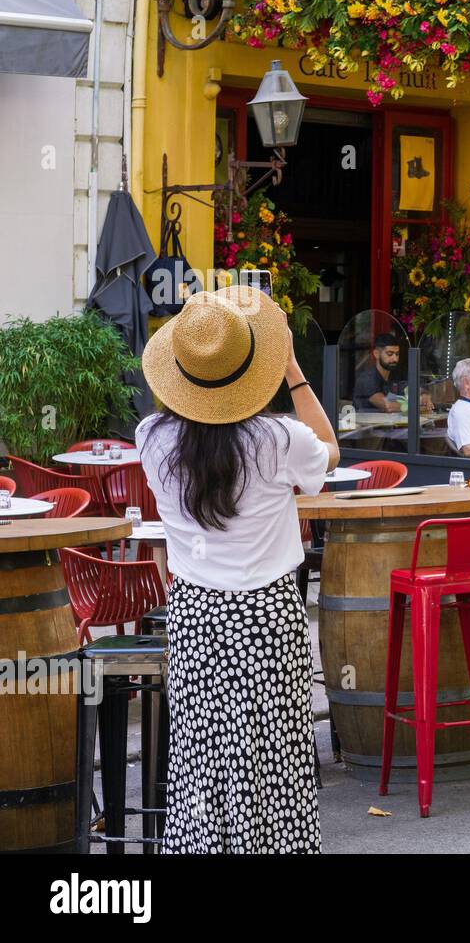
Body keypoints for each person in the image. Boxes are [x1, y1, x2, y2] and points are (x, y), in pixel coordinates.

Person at [137, 286, 339, 853]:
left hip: (196, 611)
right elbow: (330, 448)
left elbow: (182, 425)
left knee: (202, 754)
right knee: (273, 749)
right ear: (254, 369)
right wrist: (293, 371)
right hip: (267, 613)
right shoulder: (281, 439)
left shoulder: (150, 438)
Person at [352, 333, 432, 414]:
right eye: (390, 354)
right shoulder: (367, 379)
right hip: (367, 425)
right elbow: (388, 406)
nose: (395, 358)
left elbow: (416, 385)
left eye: (397, 354)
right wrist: (418, 408)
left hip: (392, 424)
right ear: (376, 354)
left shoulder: (397, 374)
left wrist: (424, 395)